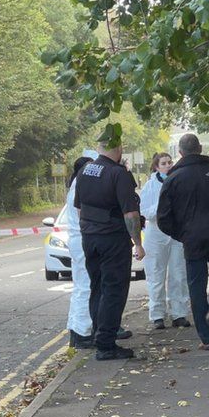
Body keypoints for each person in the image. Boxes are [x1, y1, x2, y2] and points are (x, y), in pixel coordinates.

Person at [157, 134, 209, 350]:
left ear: (180, 153)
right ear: (200, 148)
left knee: (196, 284)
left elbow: (163, 217)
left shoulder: (173, 179)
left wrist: (181, 234)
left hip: (192, 238)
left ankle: (206, 338)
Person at [75, 141, 145, 360]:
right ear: (119, 149)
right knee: (114, 290)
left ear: (99, 148)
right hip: (112, 239)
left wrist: (88, 231)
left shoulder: (85, 171)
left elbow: (79, 208)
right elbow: (130, 214)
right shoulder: (118, 174)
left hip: (90, 238)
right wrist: (137, 242)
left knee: (97, 287)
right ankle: (106, 344)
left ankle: (99, 335)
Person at [139, 152, 191, 330]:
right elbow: (144, 211)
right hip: (156, 233)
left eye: (170, 162)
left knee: (178, 273)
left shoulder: (179, 182)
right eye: (164, 163)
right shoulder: (150, 186)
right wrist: (163, 206)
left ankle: (179, 313)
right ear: (156, 167)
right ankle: (157, 314)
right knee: (156, 274)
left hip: (175, 232)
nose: (168, 165)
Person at [65, 152, 97, 349]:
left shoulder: (74, 185)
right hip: (82, 239)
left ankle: (75, 330)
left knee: (79, 287)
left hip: (76, 240)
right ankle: (83, 332)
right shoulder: (82, 185)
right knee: (86, 287)